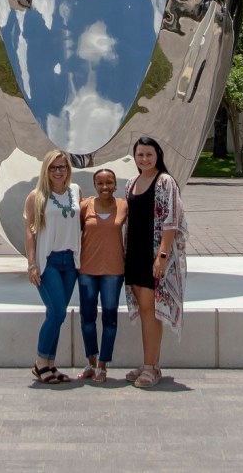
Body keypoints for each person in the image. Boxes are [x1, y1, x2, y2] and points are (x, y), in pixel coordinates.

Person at [123, 136, 187, 388]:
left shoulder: (165, 182)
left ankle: (151, 367)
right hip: (135, 254)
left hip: (154, 256)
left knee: (151, 311)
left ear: (158, 155)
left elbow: (171, 221)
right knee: (145, 311)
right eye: (140, 155)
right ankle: (150, 363)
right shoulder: (131, 183)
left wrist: (162, 256)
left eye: (149, 154)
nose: (144, 159)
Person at [25, 150, 82, 384]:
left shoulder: (76, 191)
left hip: (70, 262)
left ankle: (50, 364)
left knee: (56, 315)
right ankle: (40, 363)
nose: (59, 171)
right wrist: (31, 264)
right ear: (46, 170)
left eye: (63, 167)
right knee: (57, 311)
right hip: (48, 261)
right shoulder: (37, 196)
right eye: (53, 167)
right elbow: (30, 231)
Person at [76, 169, 126, 384]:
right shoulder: (85, 206)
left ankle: (103, 365)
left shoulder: (123, 205)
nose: (105, 186)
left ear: (115, 185)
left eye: (109, 182)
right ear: (94, 185)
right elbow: (72, 231)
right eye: (100, 183)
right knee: (87, 318)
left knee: (109, 317)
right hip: (87, 269)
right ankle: (91, 362)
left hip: (113, 271)